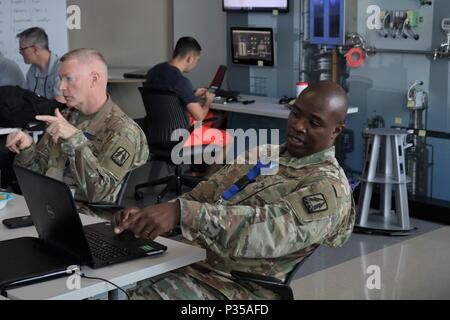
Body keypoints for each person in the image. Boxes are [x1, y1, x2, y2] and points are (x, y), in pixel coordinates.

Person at [112, 81, 356, 300]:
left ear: (335, 131)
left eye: (314, 123)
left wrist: (183, 213)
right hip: (189, 264)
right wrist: (150, 218)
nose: (298, 126)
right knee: (104, 282)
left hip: (234, 289)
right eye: (295, 114)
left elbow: (267, 233)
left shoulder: (327, 188)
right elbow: (202, 196)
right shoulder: (264, 154)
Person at [6, 48, 149, 217]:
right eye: (60, 79)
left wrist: (75, 140)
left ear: (94, 79)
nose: (61, 87)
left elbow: (98, 193)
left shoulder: (123, 131)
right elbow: (37, 176)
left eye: (68, 79)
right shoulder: (65, 116)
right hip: (46, 208)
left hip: (84, 219)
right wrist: (28, 147)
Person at [144, 37, 230, 175]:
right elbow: (200, 116)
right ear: (190, 58)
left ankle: (196, 169)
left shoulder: (154, 72)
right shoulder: (181, 81)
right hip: (179, 136)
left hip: (155, 133)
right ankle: (205, 183)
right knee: (229, 138)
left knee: (217, 116)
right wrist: (208, 100)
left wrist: (191, 95)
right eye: (197, 60)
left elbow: (167, 99)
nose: (196, 63)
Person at [16, 27, 65, 103]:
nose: (20, 52)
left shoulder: (61, 68)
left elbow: (59, 106)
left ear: (35, 49)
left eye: (22, 49)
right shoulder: (31, 72)